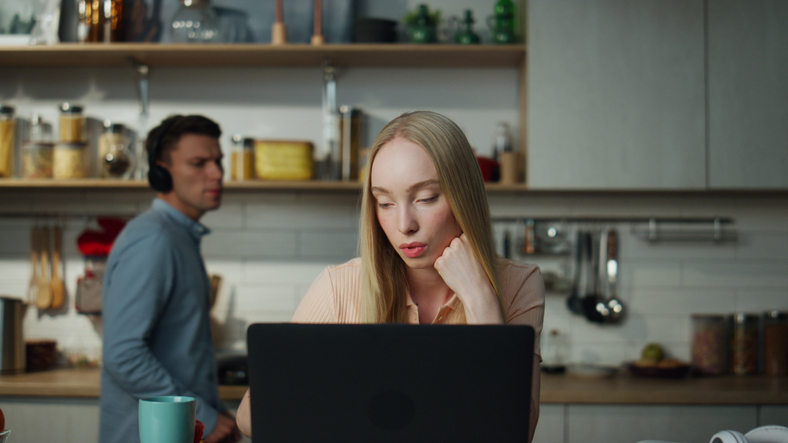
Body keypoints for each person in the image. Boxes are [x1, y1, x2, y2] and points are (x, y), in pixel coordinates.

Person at [236, 111, 545, 442]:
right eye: (384, 202)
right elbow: (250, 417)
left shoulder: (519, 284)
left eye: (426, 198)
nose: (404, 225)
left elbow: (515, 433)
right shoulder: (339, 286)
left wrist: (479, 297)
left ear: (464, 195)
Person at [100, 115, 241, 443]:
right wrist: (204, 415)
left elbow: (187, 351)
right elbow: (123, 354)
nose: (217, 173)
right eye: (198, 163)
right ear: (162, 170)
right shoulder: (154, 240)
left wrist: (214, 412)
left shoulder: (177, 236)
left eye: (218, 161)